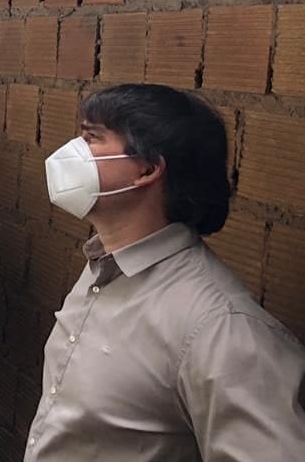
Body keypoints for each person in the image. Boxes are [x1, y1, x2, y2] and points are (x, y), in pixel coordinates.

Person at [28, 83, 305, 461]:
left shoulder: (221, 329)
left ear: (147, 169)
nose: (71, 153)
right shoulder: (103, 270)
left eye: (92, 139)